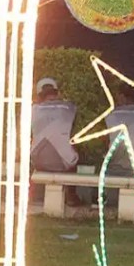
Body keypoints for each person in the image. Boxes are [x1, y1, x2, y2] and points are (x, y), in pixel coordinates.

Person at [31, 76, 82, 206]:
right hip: (63, 163)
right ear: (56, 92)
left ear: (39, 95)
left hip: (38, 161)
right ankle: (71, 195)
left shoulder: (32, 110)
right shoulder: (69, 108)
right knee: (74, 152)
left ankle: (30, 195)